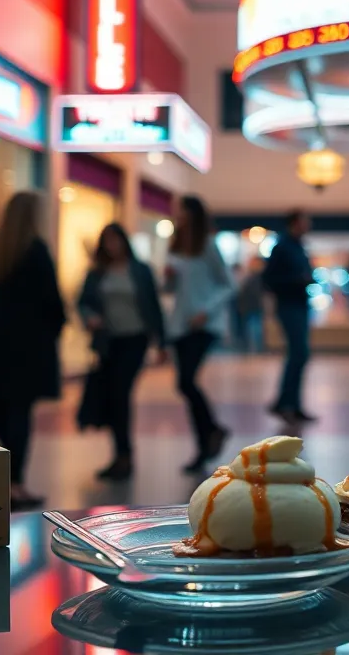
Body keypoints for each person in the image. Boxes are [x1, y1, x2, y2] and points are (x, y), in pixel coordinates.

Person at [0, 192, 65, 510]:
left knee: (1, 406)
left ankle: (7, 477)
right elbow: (52, 302)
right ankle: (16, 483)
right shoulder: (36, 250)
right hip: (29, 341)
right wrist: (55, 329)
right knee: (20, 411)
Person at [78, 223, 165, 482]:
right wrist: (90, 317)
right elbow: (83, 302)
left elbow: (153, 305)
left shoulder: (140, 271)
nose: (112, 246)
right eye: (107, 241)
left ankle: (124, 455)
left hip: (135, 340)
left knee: (121, 392)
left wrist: (162, 342)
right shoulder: (97, 273)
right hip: (108, 342)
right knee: (114, 396)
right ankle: (120, 455)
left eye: (116, 240)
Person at [165, 195, 232, 472]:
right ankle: (205, 444)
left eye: (180, 209)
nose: (176, 214)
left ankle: (212, 432)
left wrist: (207, 309)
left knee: (186, 381)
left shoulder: (208, 245)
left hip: (203, 324)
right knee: (185, 384)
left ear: (192, 213)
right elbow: (171, 289)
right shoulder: (175, 245)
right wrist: (167, 278)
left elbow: (228, 285)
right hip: (180, 325)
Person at [264, 210, 315, 425]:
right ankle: (286, 403)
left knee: (300, 355)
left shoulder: (297, 246)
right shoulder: (282, 247)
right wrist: (296, 281)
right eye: (305, 221)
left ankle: (291, 403)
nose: (308, 224)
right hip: (289, 306)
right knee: (298, 353)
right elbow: (269, 279)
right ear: (295, 223)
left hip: (299, 306)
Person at [237, 259, 266, 353]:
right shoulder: (255, 279)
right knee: (254, 328)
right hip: (252, 307)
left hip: (252, 307)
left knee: (254, 328)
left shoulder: (253, 279)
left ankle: (255, 348)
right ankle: (256, 348)